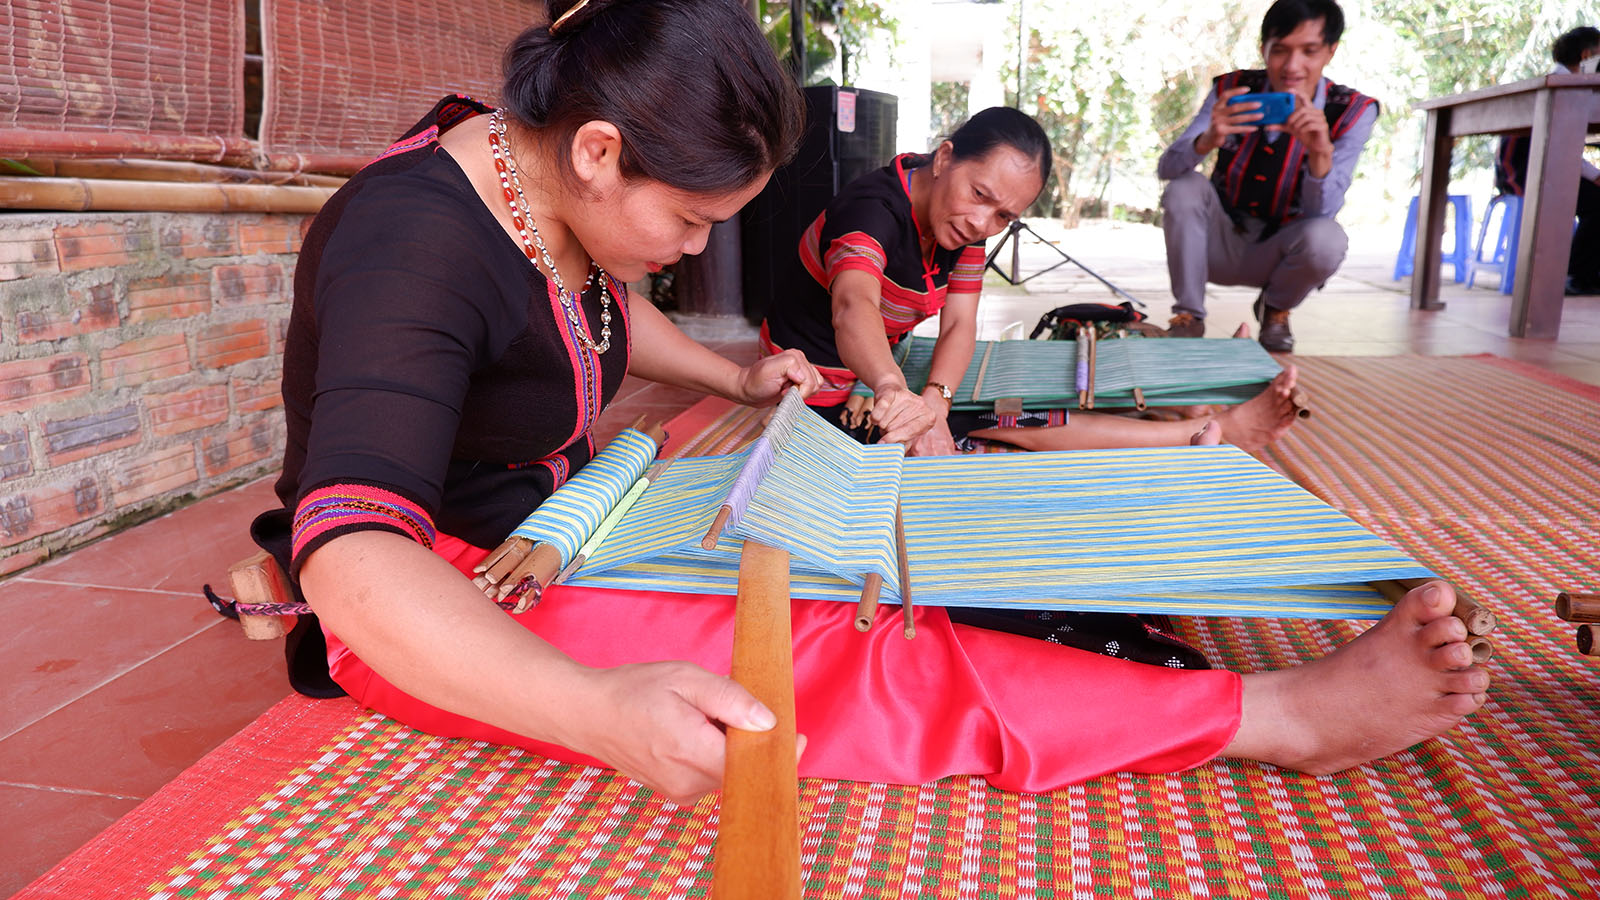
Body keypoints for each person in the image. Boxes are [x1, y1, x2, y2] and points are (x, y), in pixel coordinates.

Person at [260, 0, 1487, 807]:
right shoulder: (410, 244)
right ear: (595, 151)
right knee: (844, 651)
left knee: (883, 526)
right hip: (453, 588)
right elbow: (357, 560)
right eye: (688, 221)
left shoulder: (531, 176)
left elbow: (589, 304)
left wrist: (735, 378)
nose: (691, 249)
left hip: (571, 512)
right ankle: (1272, 717)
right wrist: (594, 708)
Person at [760, 107, 1303, 458]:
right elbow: (853, 308)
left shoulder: (963, 229)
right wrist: (897, 394)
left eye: (1003, 216)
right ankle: (1204, 432)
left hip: (882, 370)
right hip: (817, 388)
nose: (982, 223)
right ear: (946, 156)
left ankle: (1188, 404)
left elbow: (960, 327)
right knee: (1013, 417)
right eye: (978, 194)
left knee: (1008, 387)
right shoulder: (871, 211)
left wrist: (937, 401)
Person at [1157, 0, 1378, 352]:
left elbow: (1322, 216)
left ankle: (1276, 308)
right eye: (1280, 51)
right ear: (1263, 49)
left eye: (1309, 51)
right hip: (1218, 244)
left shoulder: (1353, 111)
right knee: (1184, 187)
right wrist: (1208, 139)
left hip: (1282, 254)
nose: (1293, 67)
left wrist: (1320, 152)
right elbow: (1166, 171)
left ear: (1330, 52)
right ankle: (1189, 316)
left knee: (1329, 239)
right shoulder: (1232, 90)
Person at [1492, 26, 1600, 295]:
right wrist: (1595, 175)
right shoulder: (1563, 87)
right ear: (1588, 55)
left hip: (1545, 168)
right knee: (1598, 204)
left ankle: (1584, 272)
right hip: (1529, 173)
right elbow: (1561, 147)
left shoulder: (1561, 82)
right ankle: (1575, 275)